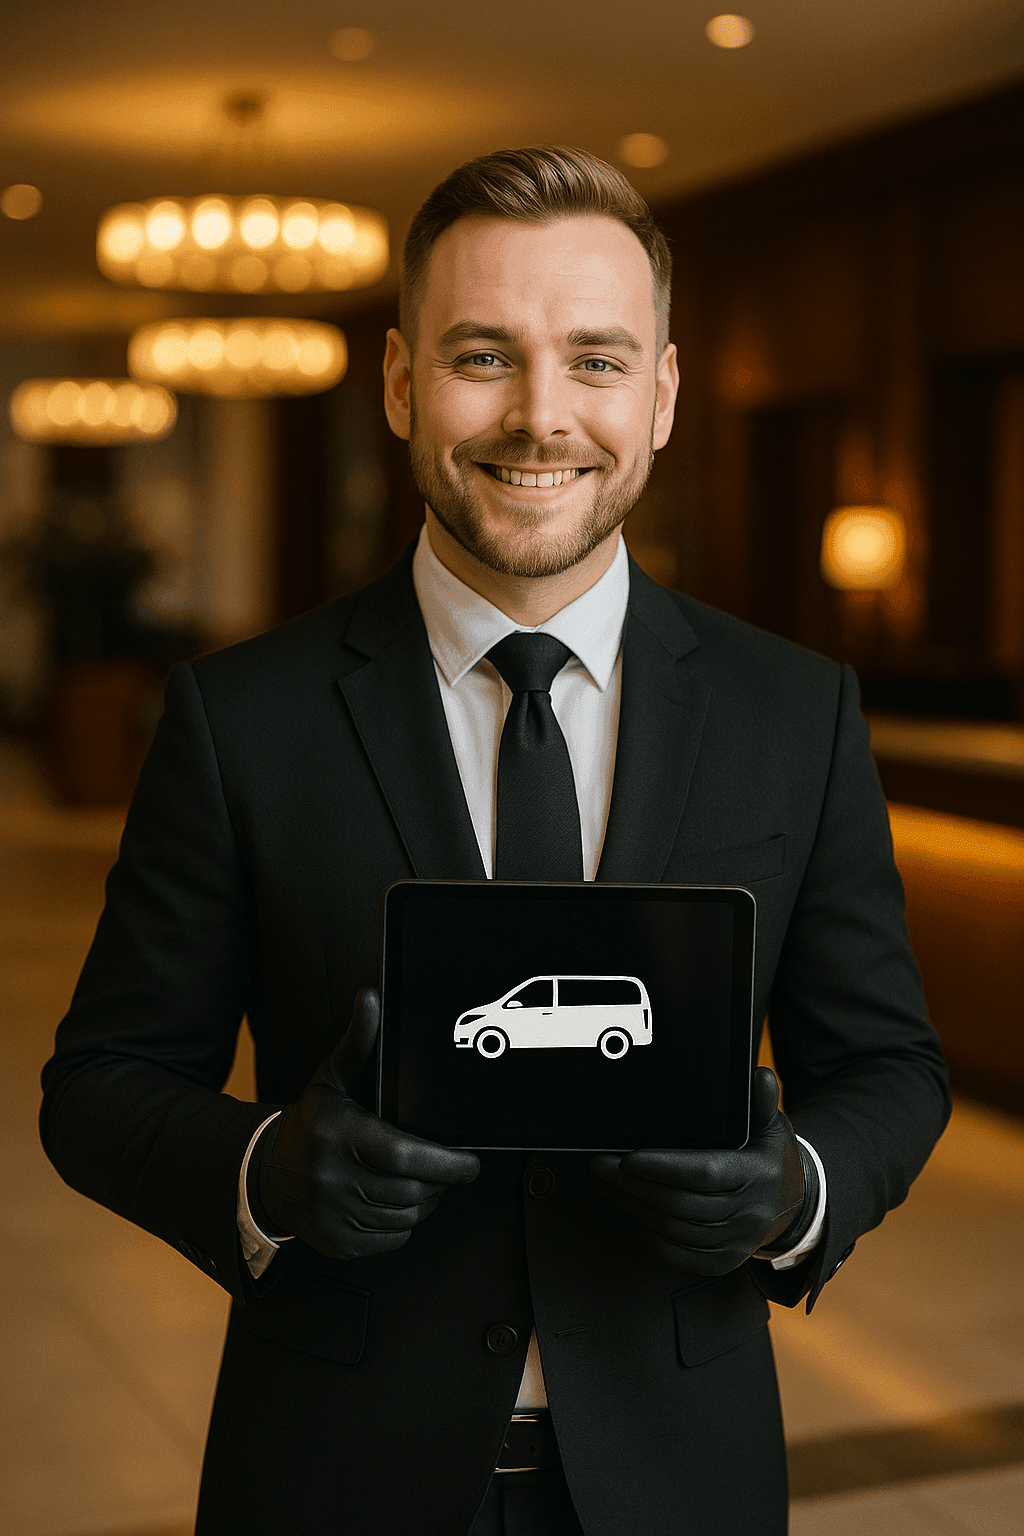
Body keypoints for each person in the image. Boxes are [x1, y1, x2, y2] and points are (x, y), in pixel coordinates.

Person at [41, 146, 950, 1536]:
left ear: (660, 394)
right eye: (484, 356)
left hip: (683, 1475)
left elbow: (888, 1066)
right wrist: (271, 1170)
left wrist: (794, 1191)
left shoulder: (797, 712)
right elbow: (100, 1084)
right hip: (332, 1473)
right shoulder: (242, 717)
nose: (541, 418)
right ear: (404, 383)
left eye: (594, 360)